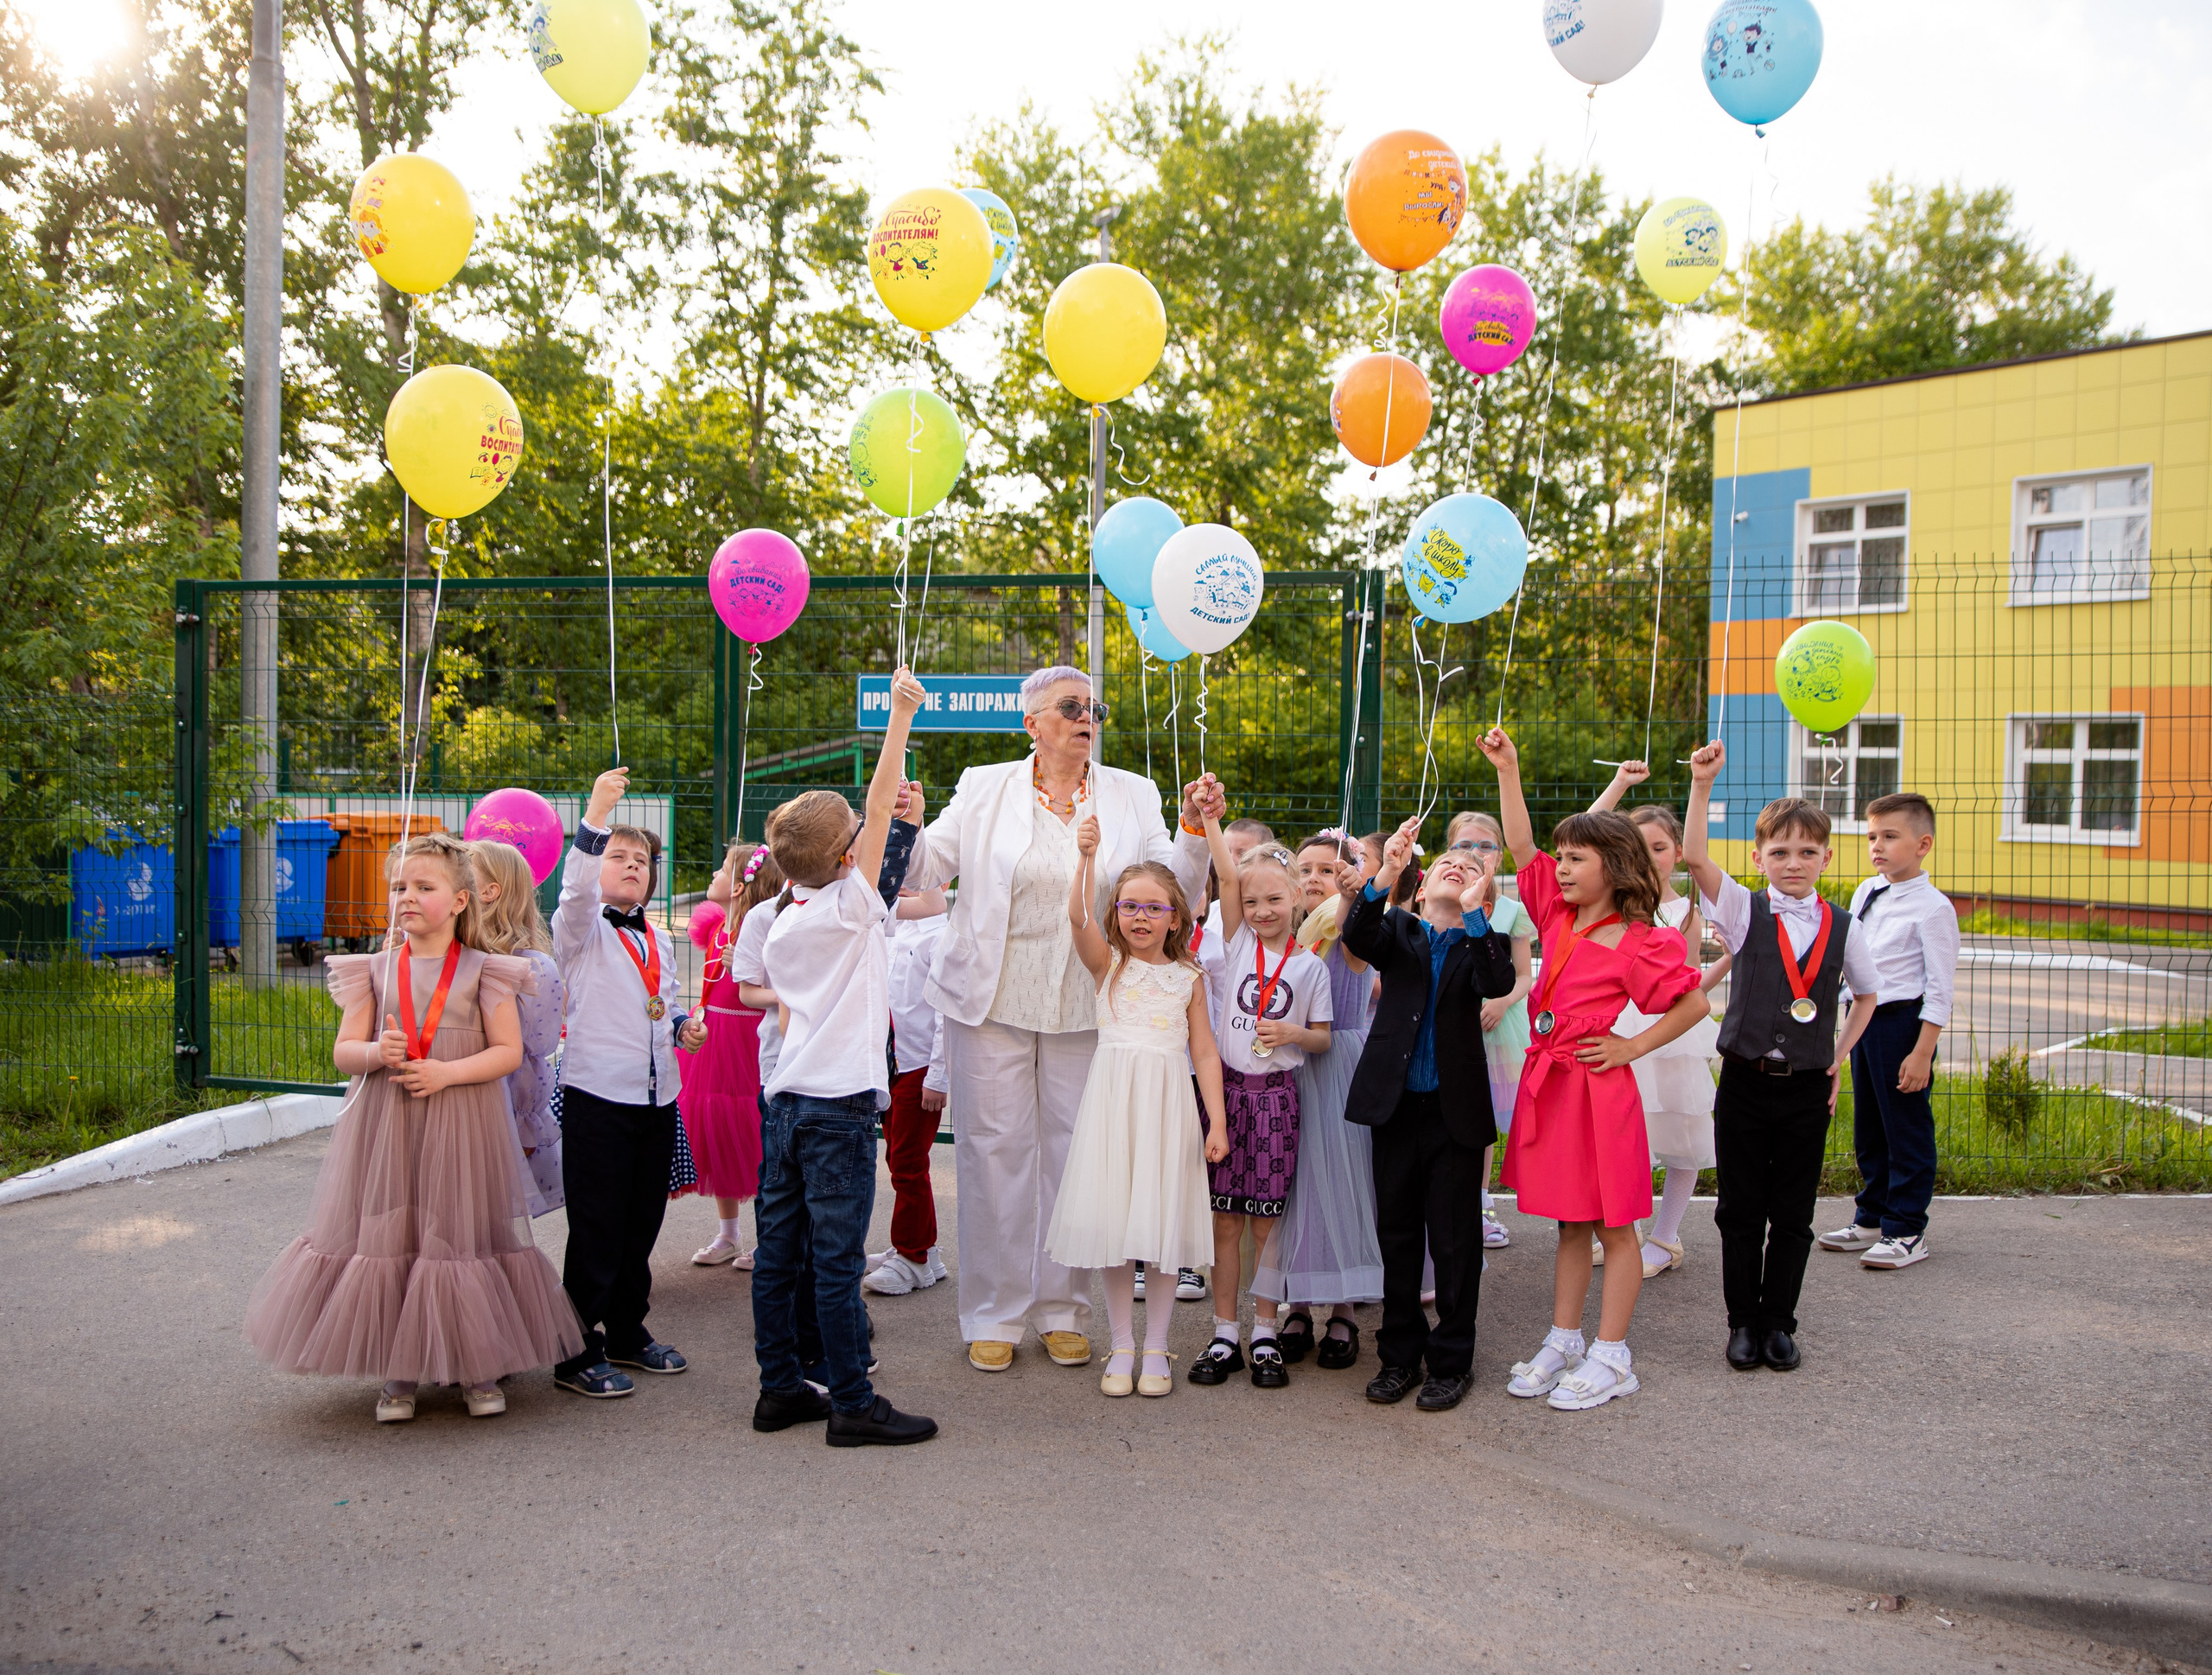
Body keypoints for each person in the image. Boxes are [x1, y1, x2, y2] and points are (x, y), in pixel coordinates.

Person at [898, 665, 1216, 1373]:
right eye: (1069, 707)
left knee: (1078, 1159)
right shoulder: (984, 786)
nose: (1086, 717)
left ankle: (1064, 1311)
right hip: (992, 999)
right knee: (992, 1155)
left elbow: (1173, 889)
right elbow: (926, 871)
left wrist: (1195, 828)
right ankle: (994, 1314)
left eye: (1093, 706)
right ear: (1031, 724)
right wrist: (907, 823)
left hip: (1089, 1002)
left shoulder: (1132, 793)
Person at [245, 832, 582, 1422]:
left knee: (460, 1232)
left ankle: (477, 1367)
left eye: (423, 886)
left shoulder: (488, 971)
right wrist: (378, 1052)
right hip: (389, 1125)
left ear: (460, 900)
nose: (406, 897)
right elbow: (344, 1052)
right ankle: (398, 1374)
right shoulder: (374, 971)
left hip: (462, 1119)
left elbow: (507, 1053)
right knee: (393, 1231)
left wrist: (447, 1073)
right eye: (399, 886)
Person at [1478, 728, 1711, 1412]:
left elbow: (1694, 1000)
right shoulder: (1558, 914)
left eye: (1577, 858)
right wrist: (1510, 769)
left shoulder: (1645, 940)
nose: (1563, 868)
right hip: (1549, 1083)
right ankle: (1565, 1338)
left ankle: (1614, 1355)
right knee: (1569, 1222)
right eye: (1563, 858)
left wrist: (1633, 1048)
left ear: (1614, 863)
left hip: (1597, 1091)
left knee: (1615, 1224)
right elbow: (1521, 846)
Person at [749, 666, 938, 1447]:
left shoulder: (787, 917)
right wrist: (897, 720)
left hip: (785, 1105)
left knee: (777, 1256)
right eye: (857, 842)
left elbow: (866, 826)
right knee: (835, 1262)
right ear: (842, 858)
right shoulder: (853, 908)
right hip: (837, 1110)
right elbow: (879, 800)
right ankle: (853, 1403)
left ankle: (780, 1388)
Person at [1683, 742, 1879, 1373]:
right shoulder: (1744, 912)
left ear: (1827, 856)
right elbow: (1692, 856)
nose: (1793, 863)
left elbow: (1869, 996)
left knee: (1792, 1215)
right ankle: (1742, 1322)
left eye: (1806, 852)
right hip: (1744, 1083)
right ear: (1758, 857)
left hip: (1804, 1089)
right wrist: (1703, 785)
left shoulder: (1846, 925)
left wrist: (1838, 1058)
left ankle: (1779, 1324)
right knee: (1740, 1210)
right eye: (1779, 852)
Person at [1336, 816, 1515, 1411]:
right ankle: (1398, 1356)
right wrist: (1385, 869)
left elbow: (1497, 980)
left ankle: (1451, 1360)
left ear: (1481, 896)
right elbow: (1359, 935)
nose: (1456, 866)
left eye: (1469, 869)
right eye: (1444, 863)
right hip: (1396, 1109)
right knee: (1399, 1234)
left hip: (1454, 1114)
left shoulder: (1477, 939)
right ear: (1418, 883)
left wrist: (1474, 912)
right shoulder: (1399, 932)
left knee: (1456, 1241)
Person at [1046, 833, 1228, 1398]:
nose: (1141, 916)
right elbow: (1076, 917)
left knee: (1163, 1227)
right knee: (1118, 1227)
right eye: (1129, 906)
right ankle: (1122, 1342)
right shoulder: (1110, 966)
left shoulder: (1189, 979)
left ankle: (1157, 1346)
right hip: (1114, 1108)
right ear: (1116, 914)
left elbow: (1203, 1052)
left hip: (1169, 1107)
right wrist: (1085, 859)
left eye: (1154, 907)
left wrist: (1217, 1122)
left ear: (1176, 918)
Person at [550, 771, 707, 1399]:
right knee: (597, 1223)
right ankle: (573, 1347)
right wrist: (598, 813)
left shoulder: (660, 940)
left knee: (641, 1220)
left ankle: (626, 1331)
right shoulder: (579, 929)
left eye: (642, 859)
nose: (633, 866)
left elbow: (660, 1005)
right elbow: (574, 893)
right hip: (597, 1095)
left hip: (656, 1096)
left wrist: (679, 1029)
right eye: (619, 856)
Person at [1187, 817, 1332, 1390]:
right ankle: (1225, 1333)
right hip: (1225, 1098)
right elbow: (1226, 877)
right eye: (1252, 902)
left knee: (1269, 1226)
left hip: (1277, 1103)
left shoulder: (1309, 966)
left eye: (1274, 898)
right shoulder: (1236, 943)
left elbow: (1322, 1036)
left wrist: (1294, 1034)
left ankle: (1265, 1330)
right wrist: (1212, 821)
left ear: (1298, 895)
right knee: (1225, 1222)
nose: (1262, 910)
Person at [1589, 765, 1729, 1277]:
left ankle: (1666, 1237)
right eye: (1637, 847)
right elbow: (1586, 827)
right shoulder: (1612, 905)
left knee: (1680, 1128)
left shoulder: (1685, 912)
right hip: (1618, 1027)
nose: (1649, 858)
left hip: (1669, 1034)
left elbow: (1688, 983)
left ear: (1676, 852)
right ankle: (1622, 1230)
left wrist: (1729, 959)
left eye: (1660, 847)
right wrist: (1621, 786)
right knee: (1624, 1134)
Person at [1253, 831, 1381, 1369]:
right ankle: (1299, 1305)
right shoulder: (1290, 940)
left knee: (1341, 1184)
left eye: (1327, 870)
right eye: (1304, 870)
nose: (1314, 879)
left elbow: (1353, 923)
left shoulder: (1346, 936)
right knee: (1298, 1186)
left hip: (1339, 1069)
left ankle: (1344, 1309)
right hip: (1290, 1071)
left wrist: (1353, 891)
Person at [1820, 791, 1958, 1271]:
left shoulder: (1934, 908)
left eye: (1890, 837)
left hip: (1904, 1026)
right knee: (1871, 1127)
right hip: (1866, 1022)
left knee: (1906, 1128)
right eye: (1872, 836)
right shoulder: (1867, 891)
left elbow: (1939, 990)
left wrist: (1922, 1052)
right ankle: (1872, 1218)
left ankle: (1906, 1229)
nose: (1877, 846)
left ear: (1923, 844)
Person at [682, 840, 776, 1270]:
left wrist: (747, 961)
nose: (714, 876)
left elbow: (774, 990)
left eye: (722, 870)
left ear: (740, 887)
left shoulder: (761, 932)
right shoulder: (717, 928)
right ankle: (728, 1233)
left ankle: (765, 1237)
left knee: (751, 1134)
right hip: (712, 1035)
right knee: (718, 1132)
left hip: (746, 1039)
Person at [1444, 810, 1534, 1251]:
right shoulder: (1437, 905)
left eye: (1484, 846)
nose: (1473, 853)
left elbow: (1524, 975)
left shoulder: (1512, 911)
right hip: (1451, 1024)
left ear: (1499, 856)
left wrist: (1501, 1002)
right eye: (1464, 845)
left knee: (1481, 1122)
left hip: (1497, 1029)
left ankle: (1480, 1206)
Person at [468, 837, 566, 1220]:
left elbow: (531, 1052)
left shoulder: (530, 967)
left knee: (483, 1215)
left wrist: (522, 1120)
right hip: (445, 1096)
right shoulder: (448, 953)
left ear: (489, 891)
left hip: (496, 1105)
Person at [867, 885, 952, 1296]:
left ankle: (913, 1256)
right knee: (899, 1156)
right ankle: (925, 1250)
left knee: (908, 1160)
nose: (908, 882)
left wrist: (938, 1076)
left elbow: (945, 1012)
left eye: (924, 875)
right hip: (890, 1062)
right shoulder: (892, 930)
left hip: (918, 1067)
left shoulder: (942, 937)